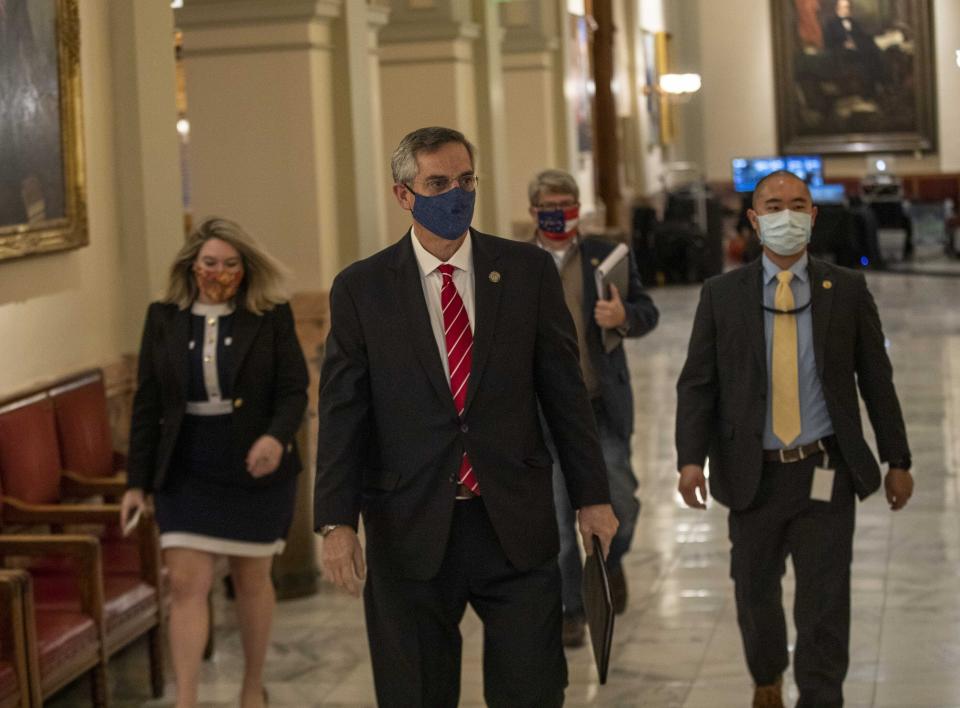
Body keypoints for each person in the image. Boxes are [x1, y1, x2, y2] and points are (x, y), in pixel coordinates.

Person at [314, 126, 619, 708]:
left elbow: (565, 396)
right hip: (410, 523)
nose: (456, 193)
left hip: (512, 517)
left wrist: (592, 497)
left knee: (532, 689)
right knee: (417, 692)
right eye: (437, 183)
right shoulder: (363, 288)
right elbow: (343, 412)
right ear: (404, 194)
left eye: (465, 180)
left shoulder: (526, 271)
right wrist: (335, 521)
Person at [675, 171, 913, 708]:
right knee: (754, 593)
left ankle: (821, 696)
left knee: (825, 602)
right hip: (750, 471)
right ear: (755, 220)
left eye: (798, 204)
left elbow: (876, 380)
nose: (787, 214)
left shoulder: (846, 290)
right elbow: (697, 384)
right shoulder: (722, 294)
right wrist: (690, 461)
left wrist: (898, 458)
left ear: (813, 215)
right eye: (774, 205)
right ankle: (766, 676)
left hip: (823, 470)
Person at [122, 218, 308, 708]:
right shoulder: (162, 317)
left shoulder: (271, 315)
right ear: (191, 265)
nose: (218, 272)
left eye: (229, 264)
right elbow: (147, 403)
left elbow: (293, 391)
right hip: (186, 464)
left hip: (254, 464)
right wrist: (136, 484)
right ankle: (187, 699)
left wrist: (275, 438)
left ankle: (252, 688)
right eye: (209, 263)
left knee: (250, 580)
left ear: (246, 270)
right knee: (187, 583)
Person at [527, 168, 659, 646]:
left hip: (600, 405)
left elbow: (648, 311)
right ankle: (572, 606)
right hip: (544, 414)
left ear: (579, 208)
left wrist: (624, 317)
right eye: (549, 205)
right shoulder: (517, 262)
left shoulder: (608, 256)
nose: (558, 213)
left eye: (566, 204)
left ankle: (613, 559)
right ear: (533, 212)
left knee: (619, 498)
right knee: (562, 517)